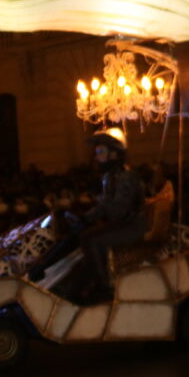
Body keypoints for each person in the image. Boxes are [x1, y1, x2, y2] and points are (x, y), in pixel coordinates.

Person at [78, 128, 146, 300]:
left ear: (114, 154)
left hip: (133, 225)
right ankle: (88, 282)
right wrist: (85, 217)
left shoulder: (126, 176)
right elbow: (106, 205)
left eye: (101, 152)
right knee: (85, 235)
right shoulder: (110, 176)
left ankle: (105, 286)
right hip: (124, 222)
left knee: (92, 240)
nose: (97, 157)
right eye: (96, 153)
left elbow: (118, 210)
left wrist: (94, 214)